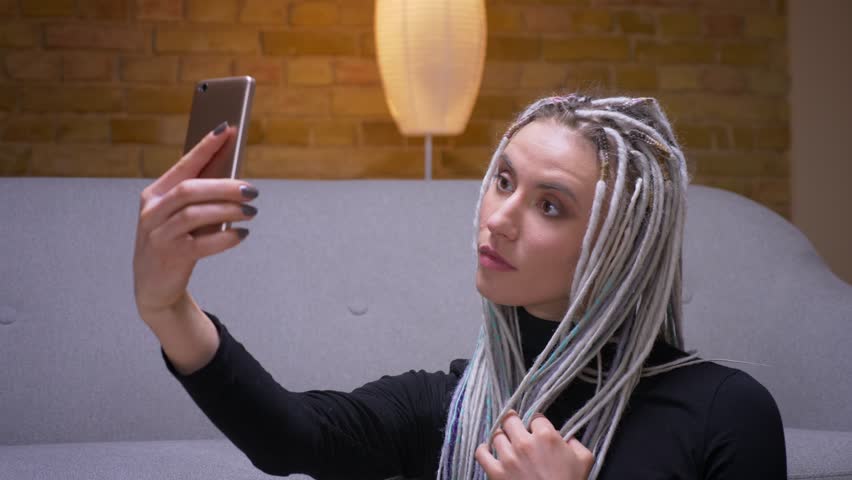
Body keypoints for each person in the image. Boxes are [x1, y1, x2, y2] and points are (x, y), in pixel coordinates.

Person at [133, 94, 787, 479]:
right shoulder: (453, 410)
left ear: (620, 247)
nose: (497, 219)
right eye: (503, 181)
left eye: (550, 205)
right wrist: (166, 305)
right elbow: (290, 436)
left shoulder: (724, 414)